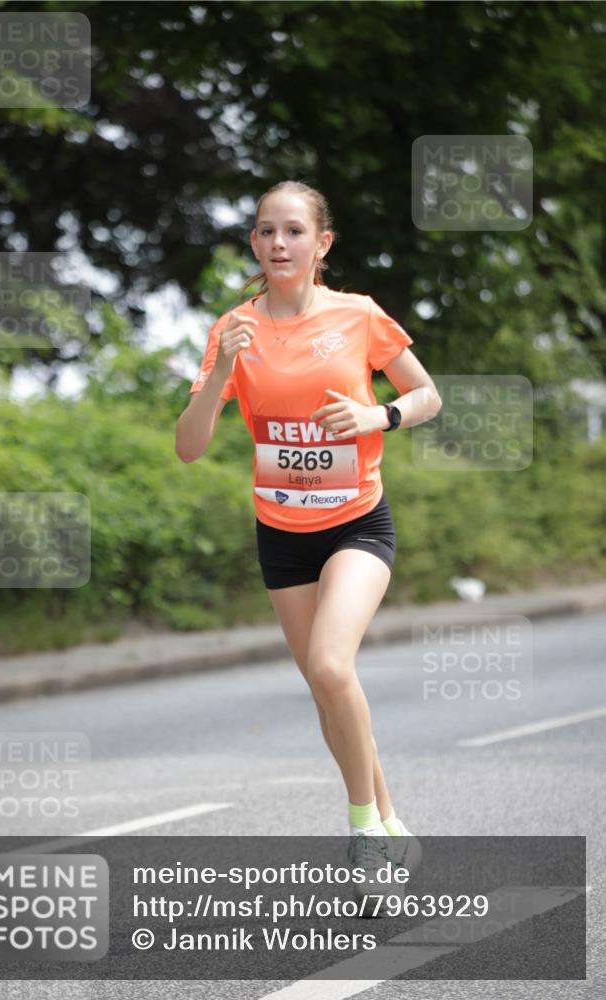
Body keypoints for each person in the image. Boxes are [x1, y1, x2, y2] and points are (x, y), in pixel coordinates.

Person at [175, 180, 441, 883]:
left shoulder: (357, 315)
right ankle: (390, 825)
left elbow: (427, 394)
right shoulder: (234, 329)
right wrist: (222, 369)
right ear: (254, 243)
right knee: (330, 688)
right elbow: (188, 447)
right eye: (266, 231)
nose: (278, 243)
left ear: (321, 244)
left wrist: (377, 416)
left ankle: (364, 832)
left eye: (293, 231)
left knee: (328, 665)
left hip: (357, 521)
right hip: (282, 534)